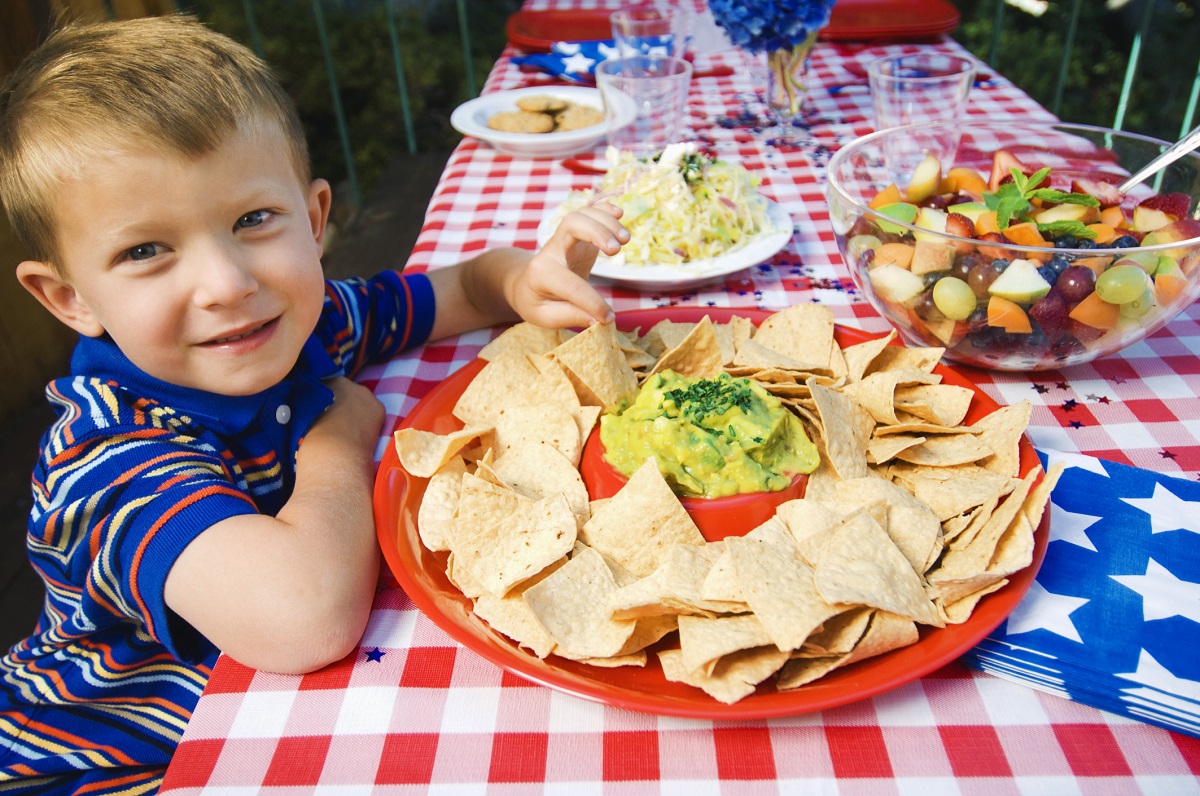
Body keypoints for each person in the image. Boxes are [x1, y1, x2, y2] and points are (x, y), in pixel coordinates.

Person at [0, 14, 626, 793]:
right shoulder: (106, 454)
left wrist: (520, 283)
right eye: (145, 252)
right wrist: (338, 435)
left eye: (252, 221)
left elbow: (457, 290)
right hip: (104, 763)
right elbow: (303, 617)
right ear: (69, 297)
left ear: (315, 219)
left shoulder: (307, 318)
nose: (228, 284)